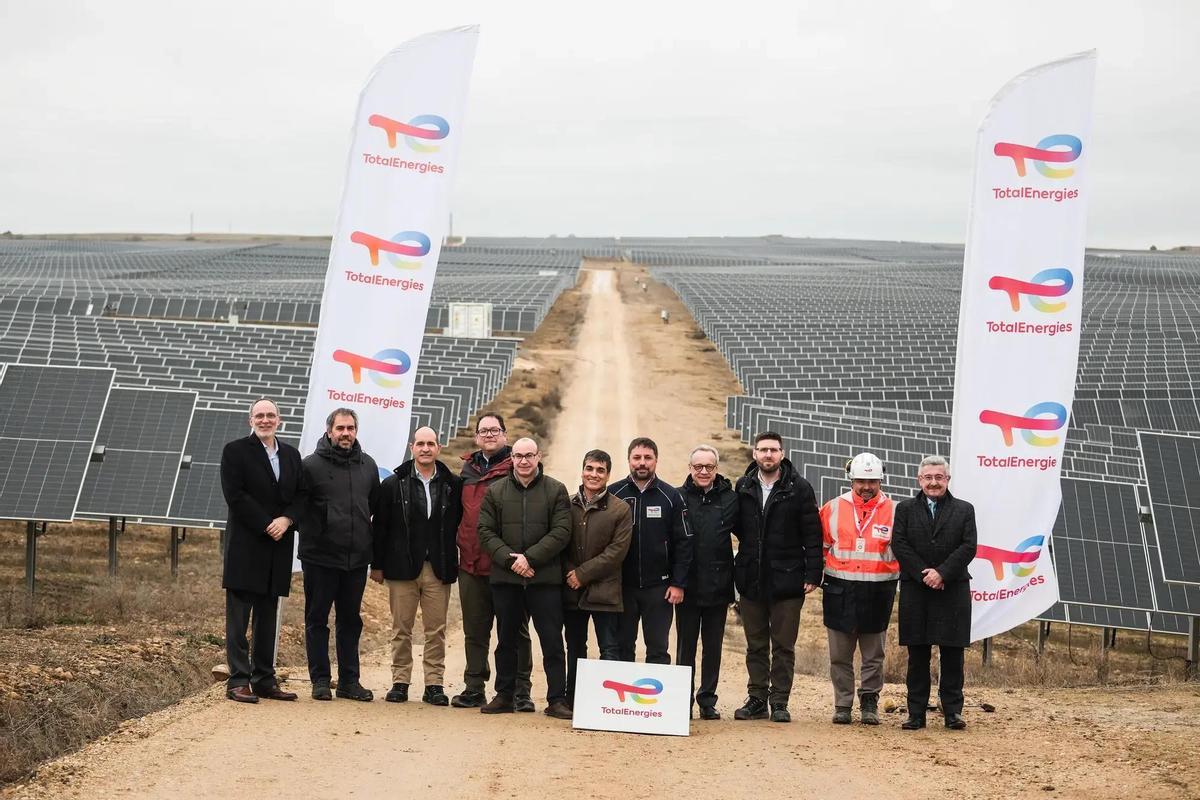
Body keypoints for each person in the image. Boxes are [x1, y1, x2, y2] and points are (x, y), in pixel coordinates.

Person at [476, 437, 573, 719]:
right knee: (506, 641)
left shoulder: (556, 490)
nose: (524, 461)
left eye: (529, 455)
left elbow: (561, 531)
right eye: (518, 456)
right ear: (511, 458)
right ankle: (505, 695)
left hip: (544, 580)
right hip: (507, 580)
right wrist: (512, 561)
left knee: (552, 642)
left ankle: (556, 699)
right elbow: (485, 532)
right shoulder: (495, 492)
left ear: (538, 456)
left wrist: (530, 559)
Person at [219, 398, 305, 703]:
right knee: (239, 620)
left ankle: (265, 679)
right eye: (260, 415)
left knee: (268, 618)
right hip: (246, 546)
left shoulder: (292, 456)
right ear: (250, 421)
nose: (265, 420)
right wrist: (266, 523)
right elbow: (235, 495)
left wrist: (287, 519)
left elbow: (301, 496)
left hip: (278, 548)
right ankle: (238, 681)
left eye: (270, 415)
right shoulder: (235, 451)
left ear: (279, 420)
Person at [733, 431, 823, 723]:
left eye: (773, 450)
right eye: (763, 450)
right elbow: (738, 529)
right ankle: (757, 698)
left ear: (782, 454)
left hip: (788, 580)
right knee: (756, 644)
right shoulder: (743, 486)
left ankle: (780, 701)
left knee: (783, 645)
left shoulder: (800, 488)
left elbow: (812, 533)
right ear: (754, 454)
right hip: (751, 579)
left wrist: (813, 573)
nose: (768, 455)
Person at [371, 426, 464, 706]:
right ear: (412, 447)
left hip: (438, 568)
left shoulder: (452, 484)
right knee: (401, 628)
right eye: (420, 443)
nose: (425, 448)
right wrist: (377, 565)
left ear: (438, 448)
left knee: (436, 630)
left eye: (431, 444)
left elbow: (461, 525)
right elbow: (380, 527)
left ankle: (434, 685)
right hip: (401, 568)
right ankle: (400, 681)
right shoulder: (393, 484)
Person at [451, 413, 535, 711]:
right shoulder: (466, 470)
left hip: (507, 564)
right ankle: (474, 686)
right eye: (483, 430)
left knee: (515, 630)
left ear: (505, 434)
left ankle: (520, 689)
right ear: (476, 437)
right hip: (471, 563)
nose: (489, 435)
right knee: (475, 630)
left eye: (495, 430)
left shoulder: (518, 467)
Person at [299, 407, 381, 702]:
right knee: (317, 619)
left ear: (356, 431)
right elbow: (299, 509)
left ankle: (350, 681)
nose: (346, 433)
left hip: (356, 559)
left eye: (350, 428)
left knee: (350, 621)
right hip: (320, 558)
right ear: (329, 431)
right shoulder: (310, 466)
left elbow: (372, 508)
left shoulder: (368, 466)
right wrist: (319, 533)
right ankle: (320, 680)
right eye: (340, 428)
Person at [891, 455, 977, 731]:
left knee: (953, 654)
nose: (933, 482)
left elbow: (968, 546)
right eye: (928, 477)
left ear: (947, 480)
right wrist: (924, 574)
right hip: (917, 590)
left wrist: (942, 573)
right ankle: (916, 713)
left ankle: (953, 712)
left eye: (939, 477)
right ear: (919, 480)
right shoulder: (904, 509)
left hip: (953, 589)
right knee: (918, 654)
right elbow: (899, 544)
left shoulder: (965, 510)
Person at [819, 452, 899, 725]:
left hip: (878, 591)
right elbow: (822, 546)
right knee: (839, 655)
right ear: (851, 479)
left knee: (873, 655)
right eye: (861, 480)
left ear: (881, 480)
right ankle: (842, 704)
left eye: (873, 481)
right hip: (840, 590)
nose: (867, 486)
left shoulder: (895, 510)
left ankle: (869, 702)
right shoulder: (832, 508)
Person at [610, 437, 692, 664]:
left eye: (648, 458)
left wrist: (678, 583)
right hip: (622, 587)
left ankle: (654, 698)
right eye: (637, 458)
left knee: (657, 649)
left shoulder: (671, 496)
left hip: (659, 589)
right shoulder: (614, 493)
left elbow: (683, 542)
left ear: (656, 461)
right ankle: (621, 699)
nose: (642, 463)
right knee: (622, 647)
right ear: (628, 460)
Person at [563, 449, 632, 706]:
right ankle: (573, 700)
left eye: (600, 470)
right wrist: (571, 574)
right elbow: (559, 542)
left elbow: (617, 551)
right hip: (572, 589)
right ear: (582, 470)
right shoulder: (566, 504)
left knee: (609, 648)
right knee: (575, 647)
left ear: (608, 475)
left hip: (605, 589)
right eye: (590, 468)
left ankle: (608, 704)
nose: (594, 474)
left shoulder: (620, 509)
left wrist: (582, 574)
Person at [675, 444, 738, 720]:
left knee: (713, 647)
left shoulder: (731, 499)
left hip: (718, 585)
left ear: (716, 469)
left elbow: (748, 537)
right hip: (686, 587)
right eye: (698, 466)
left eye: (709, 467)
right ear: (690, 469)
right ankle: (681, 699)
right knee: (685, 647)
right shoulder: (677, 497)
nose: (703, 471)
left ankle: (707, 700)